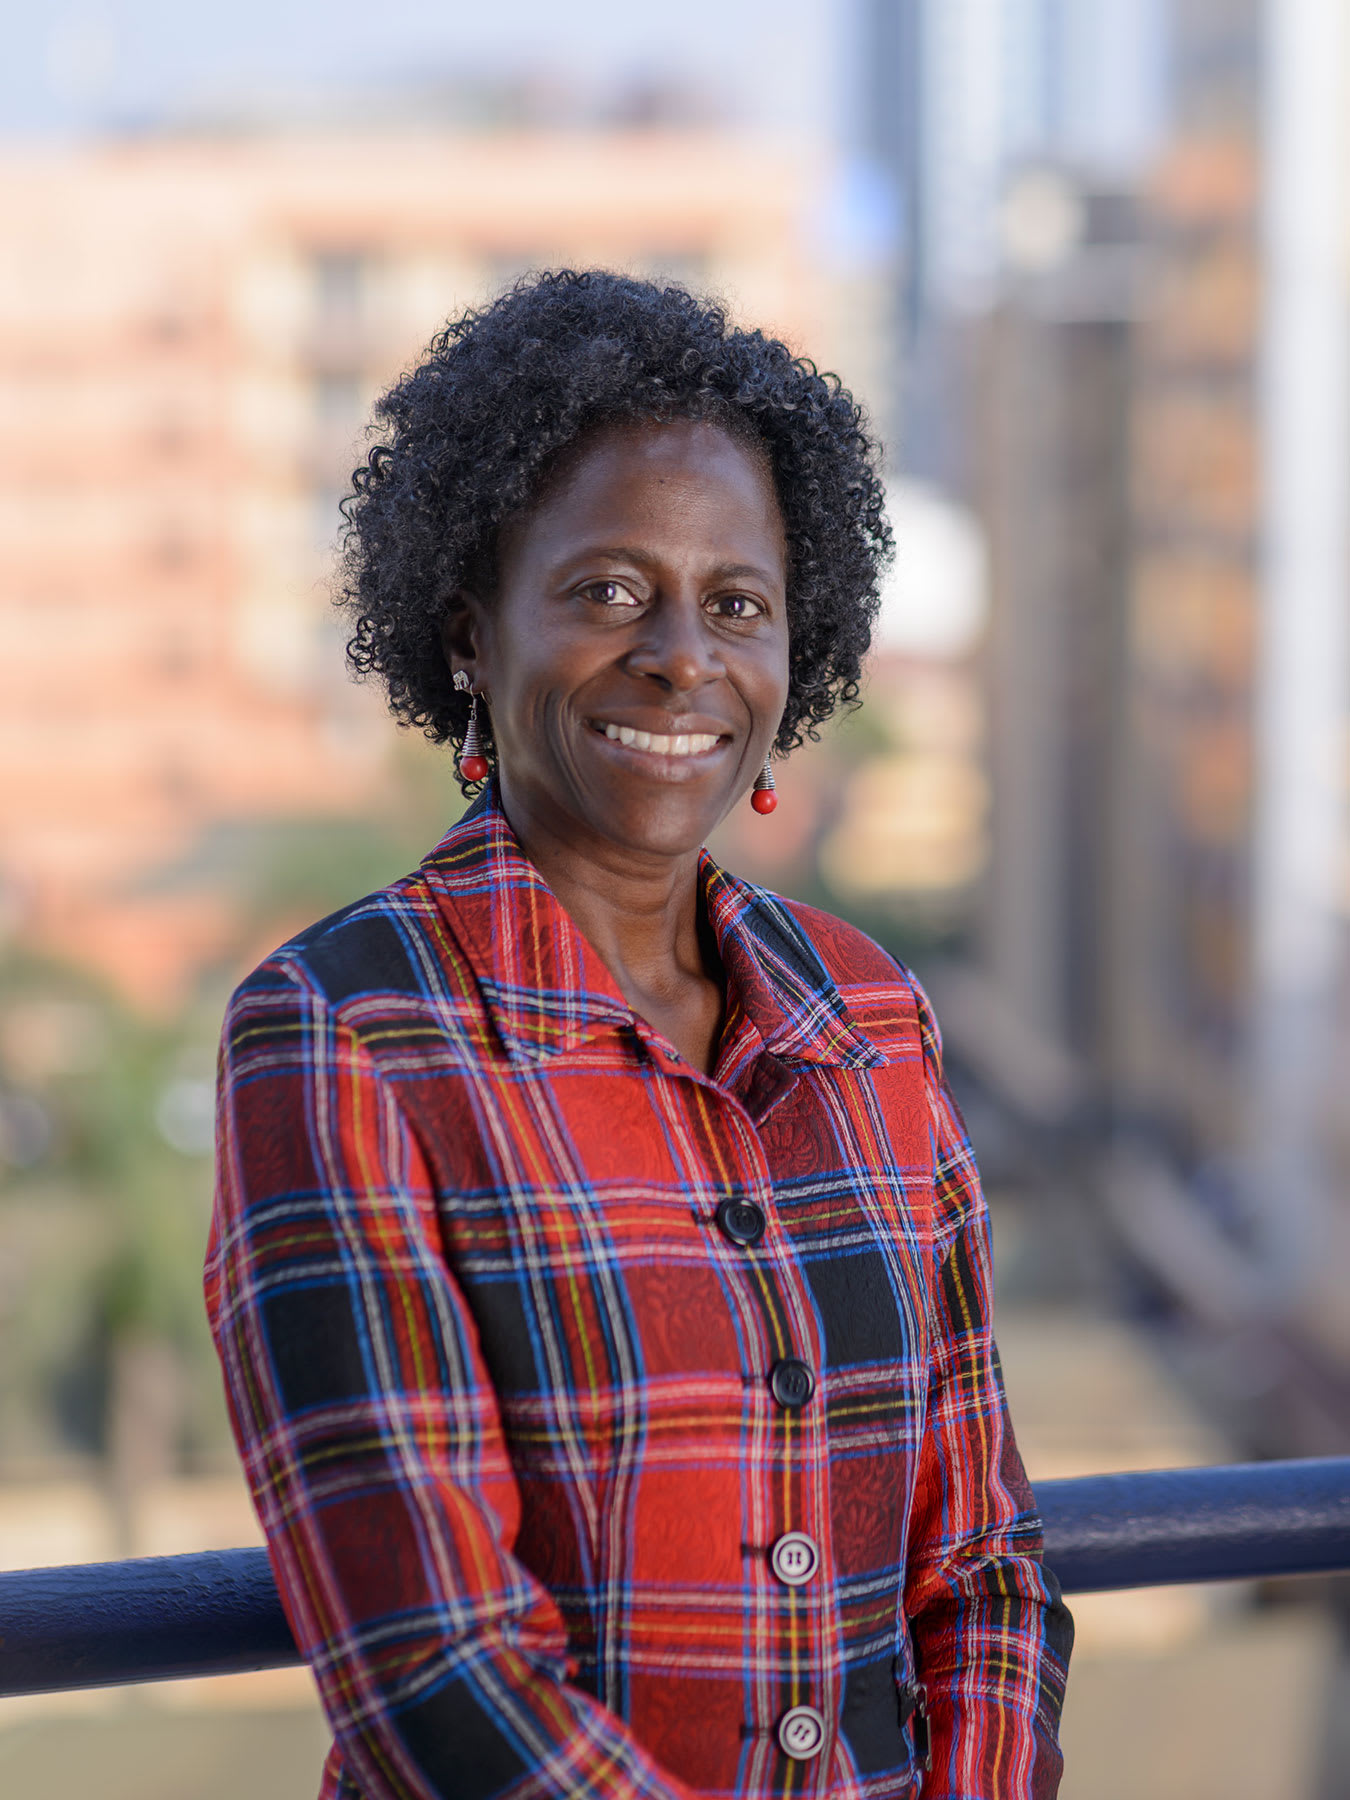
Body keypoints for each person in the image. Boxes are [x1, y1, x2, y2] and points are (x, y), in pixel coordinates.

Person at [206, 270, 1071, 1800]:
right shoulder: (342, 1033)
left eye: (735, 603)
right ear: (468, 636)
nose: (681, 655)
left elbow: (983, 1561)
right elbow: (433, 1666)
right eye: (607, 591)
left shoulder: (869, 1014)